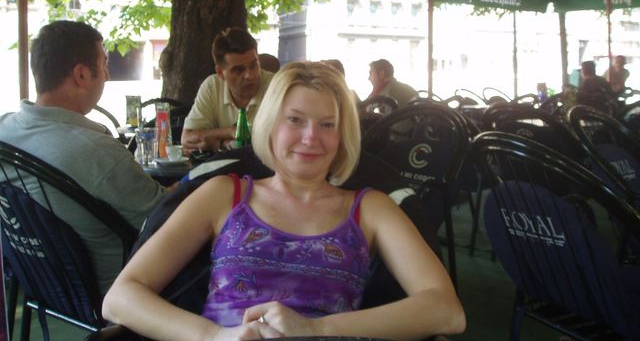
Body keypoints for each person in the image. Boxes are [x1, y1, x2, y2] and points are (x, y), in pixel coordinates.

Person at [102, 62, 465, 341]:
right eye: (295, 120)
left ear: (343, 135)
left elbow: (447, 310)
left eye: (327, 124)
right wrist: (215, 336)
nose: (310, 137)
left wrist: (315, 329)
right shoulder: (223, 195)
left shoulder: (371, 209)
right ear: (271, 124)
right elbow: (120, 297)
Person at [0, 21, 167, 295]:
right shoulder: (98, 152)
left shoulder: (4, 132)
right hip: (118, 296)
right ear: (81, 74)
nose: (107, 76)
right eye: (104, 64)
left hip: (38, 285)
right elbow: (166, 219)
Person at [181, 28, 275, 153]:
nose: (250, 75)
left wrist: (220, 143)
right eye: (239, 70)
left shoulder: (275, 86)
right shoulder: (212, 86)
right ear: (220, 73)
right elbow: (187, 138)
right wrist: (230, 132)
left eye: (254, 65)